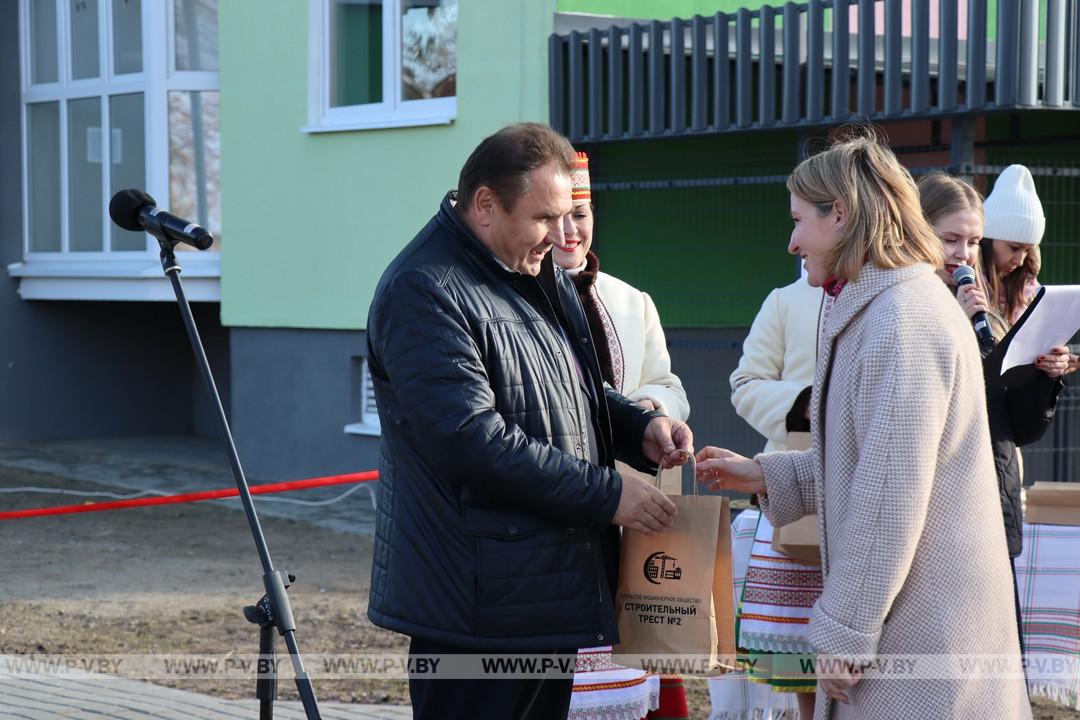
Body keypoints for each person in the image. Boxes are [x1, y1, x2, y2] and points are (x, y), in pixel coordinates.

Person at [365, 122, 693, 720]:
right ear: (486, 204)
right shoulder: (424, 289)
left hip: (541, 591)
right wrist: (608, 494)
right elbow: (470, 440)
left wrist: (637, 429)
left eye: (569, 215)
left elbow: (571, 389)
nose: (562, 235)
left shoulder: (531, 266)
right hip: (475, 606)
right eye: (545, 217)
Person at [696, 136, 1031, 719]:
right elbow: (869, 455)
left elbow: (890, 494)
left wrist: (846, 627)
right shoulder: (889, 305)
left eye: (801, 220)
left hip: (924, 639)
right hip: (922, 624)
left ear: (842, 215)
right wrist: (765, 474)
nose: (793, 239)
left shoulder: (899, 320)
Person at [552, 151, 691, 719]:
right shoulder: (522, 301)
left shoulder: (632, 300)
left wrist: (655, 413)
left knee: (639, 641)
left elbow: (667, 382)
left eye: (582, 215)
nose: (571, 230)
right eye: (558, 217)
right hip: (568, 504)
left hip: (635, 498)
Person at [918, 172, 1072, 654]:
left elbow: (1019, 428)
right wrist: (959, 330)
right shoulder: (902, 310)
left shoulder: (993, 318)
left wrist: (1046, 374)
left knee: (994, 662)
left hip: (993, 500)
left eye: (973, 241)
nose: (964, 254)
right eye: (951, 239)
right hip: (932, 511)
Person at [728, 271, 825, 720]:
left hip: (868, 495)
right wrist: (804, 403)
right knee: (804, 661)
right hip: (794, 491)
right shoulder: (786, 300)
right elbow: (746, 383)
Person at [980, 164, 1045, 325]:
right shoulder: (965, 286)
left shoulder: (1029, 289)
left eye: (1027, 250)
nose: (1020, 261)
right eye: (1014, 248)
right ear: (987, 239)